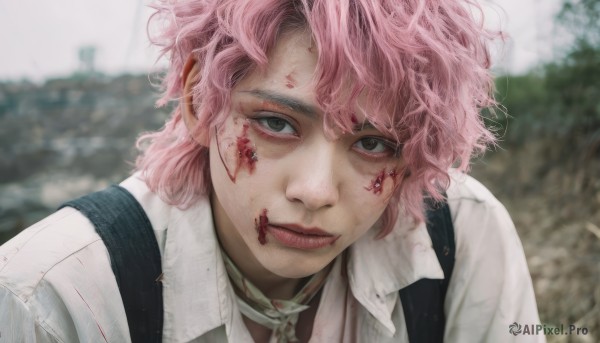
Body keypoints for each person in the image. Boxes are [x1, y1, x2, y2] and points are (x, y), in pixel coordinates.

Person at [0, 0, 543, 342]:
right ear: (197, 99)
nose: (314, 191)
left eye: (373, 142)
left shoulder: (461, 234)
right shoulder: (52, 297)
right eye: (277, 124)